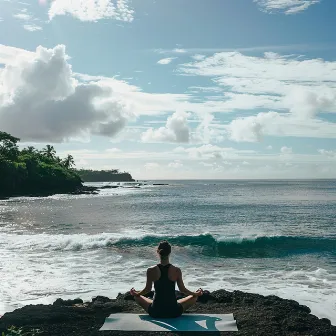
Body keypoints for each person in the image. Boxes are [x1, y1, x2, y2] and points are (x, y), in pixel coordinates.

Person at [130, 240, 203, 318]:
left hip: (156, 311)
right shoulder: (176, 270)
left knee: (136, 297)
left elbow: (147, 289)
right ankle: (174, 302)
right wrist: (196, 294)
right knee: (194, 297)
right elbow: (183, 290)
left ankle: (156, 302)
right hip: (174, 312)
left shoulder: (151, 270)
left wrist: (136, 293)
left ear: (158, 251)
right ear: (170, 252)